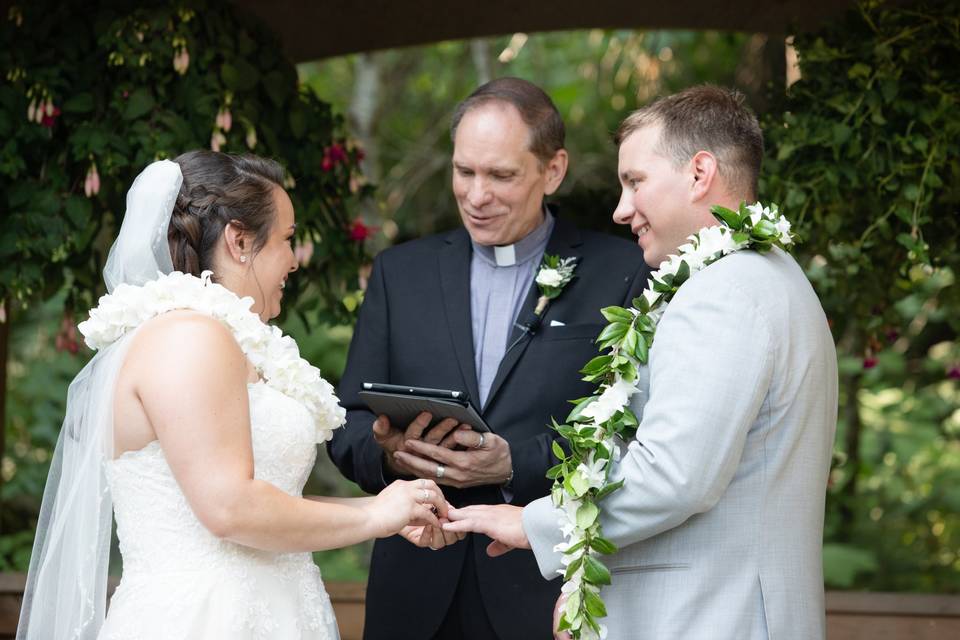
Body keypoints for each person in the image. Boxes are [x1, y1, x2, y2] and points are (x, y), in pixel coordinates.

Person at [444, 85, 839, 639]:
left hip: (714, 616)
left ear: (700, 174)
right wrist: (589, 586)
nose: (621, 208)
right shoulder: (768, 274)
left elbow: (675, 477)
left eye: (636, 182)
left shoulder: (724, 291)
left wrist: (536, 524)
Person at [17, 151, 454, 640]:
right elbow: (229, 509)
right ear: (240, 240)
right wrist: (373, 514)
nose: (293, 260)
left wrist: (389, 512)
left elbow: (266, 501)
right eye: (288, 240)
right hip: (203, 620)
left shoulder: (226, 340)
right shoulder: (188, 335)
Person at [328, 77, 649, 640]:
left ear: (553, 170)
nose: (477, 195)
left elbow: (635, 434)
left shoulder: (619, 274)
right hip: (415, 586)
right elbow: (346, 426)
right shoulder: (400, 275)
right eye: (464, 171)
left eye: (501, 175)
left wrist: (514, 464)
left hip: (545, 588)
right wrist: (395, 456)